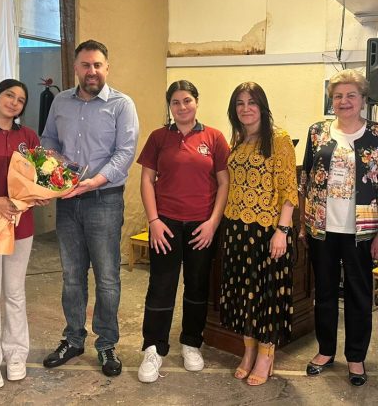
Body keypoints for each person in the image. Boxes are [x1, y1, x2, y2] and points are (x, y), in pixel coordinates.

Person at [41, 39, 139, 377]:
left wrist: (93, 182)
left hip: (104, 200)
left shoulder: (122, 105)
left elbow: (125, 152)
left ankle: (107, 344)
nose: (91, 71)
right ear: (76, 68)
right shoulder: (60, 102)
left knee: (107, 277)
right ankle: (73, 339)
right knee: (72, 276)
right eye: (85, 65)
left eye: (97, 64)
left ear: (106, 67)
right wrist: (56, 175)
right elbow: (48, 140)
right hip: (68, 202)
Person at [137, 80, 229, 383]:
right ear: (170, 106)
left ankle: (191, 342)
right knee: (161, 286)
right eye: (175, 102)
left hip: (202, 226)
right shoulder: (158, 137)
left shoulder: (214, 137)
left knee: (197, 287)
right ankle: (154, 348)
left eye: (187, 100)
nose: (182, 107)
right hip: (166, 225)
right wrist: (154, 221)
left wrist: (213, 223)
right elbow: (147, 180)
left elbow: (224, 182)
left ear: (196, 102)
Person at [299, 69, 378, 386]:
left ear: (363, 99)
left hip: (363, 230)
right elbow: (306, 179)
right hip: (322, 227)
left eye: (351, 95)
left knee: (359, 295)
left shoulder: (376, 134)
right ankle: (325, 350)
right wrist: (304, 223)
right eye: (338, 96)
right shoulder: (317, 132)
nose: (344, 101)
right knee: (325, 291)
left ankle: (356, 357)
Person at [220, 82, 298, 386]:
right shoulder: (238, 140)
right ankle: (249, 350)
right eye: (239, 103)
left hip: (267, 230)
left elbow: (289, 189)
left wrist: (282, 230)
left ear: (262, 107)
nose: (246, 108)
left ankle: (266, 355)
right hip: (237, 228)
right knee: (244, 294)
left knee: (266, 295)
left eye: (252, 102)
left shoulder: (278, 139)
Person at [0, 79, 45, 390]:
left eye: (20, 99)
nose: (14, 102)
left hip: (21, 226)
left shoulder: (28, 137)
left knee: (15, 294)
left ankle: (16, 356)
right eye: (9, 95)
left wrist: (40, 194)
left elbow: (39, 177)